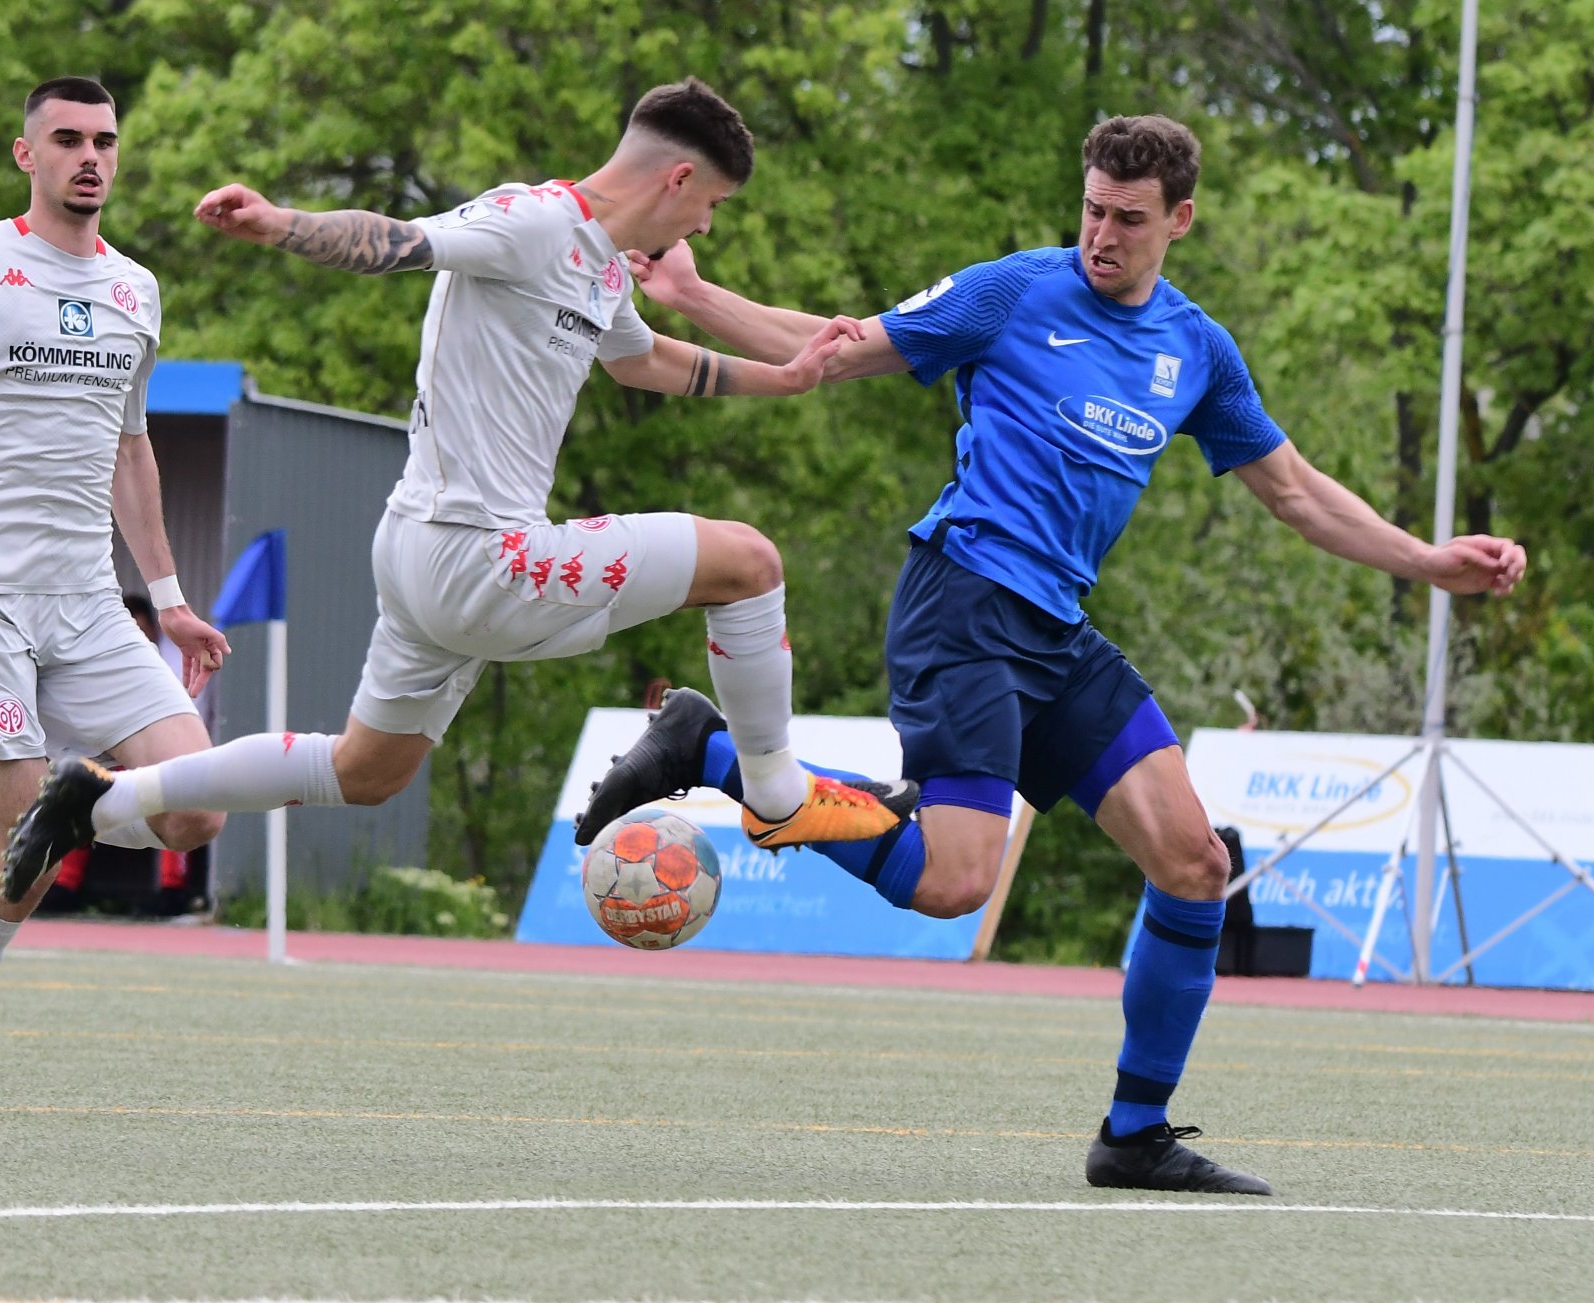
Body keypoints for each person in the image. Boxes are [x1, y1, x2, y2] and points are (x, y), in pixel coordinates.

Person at [575, 114, 1528, 1194]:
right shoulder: (1016, 291)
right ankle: (711, 750)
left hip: (1057, 634)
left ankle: (1134, 1135)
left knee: (1195, 861)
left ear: (1180, 219)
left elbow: (1296, 493)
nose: (1101, 235)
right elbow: (838, 348)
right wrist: (696, 298)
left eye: (1128, 218)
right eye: (1091, 209)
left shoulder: (1197, 350)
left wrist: (1429, 559)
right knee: (952, 884)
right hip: (965, 606)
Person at [1, 79, 916, 908]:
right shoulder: (533, 221)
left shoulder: (597, 261)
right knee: (749, 562)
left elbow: (643, 360)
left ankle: (102, 801)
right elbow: (403, 242)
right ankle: (777, 796)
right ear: (678, 179)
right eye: (712, 205)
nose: (706, 229)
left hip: (427, 555)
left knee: (364, 772)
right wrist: (282, 222)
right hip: (480, 553)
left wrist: (785, 378)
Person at [0, 75, 228, 1109]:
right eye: (66, 139)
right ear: (27, 154)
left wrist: (170, 598)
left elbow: (132, 450)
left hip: (89, 603)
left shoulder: (137, 288)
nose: (90, 157)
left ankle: (79, 803)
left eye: (105, 140)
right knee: (20, 839)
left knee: (197, 810)